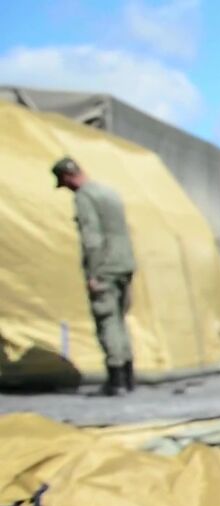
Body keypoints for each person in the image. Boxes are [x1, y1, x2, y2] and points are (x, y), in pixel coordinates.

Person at [53, 156, 137, 396]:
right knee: (119, 321)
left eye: (64, 182)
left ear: (69, 176)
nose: (66, 188)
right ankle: (129, 377)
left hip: (106, 267)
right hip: (124, 263)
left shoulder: (85, 197)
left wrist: (94, 273)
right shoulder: (108, 192)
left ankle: (116, 380)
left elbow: (92, 239)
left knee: (107, 321)